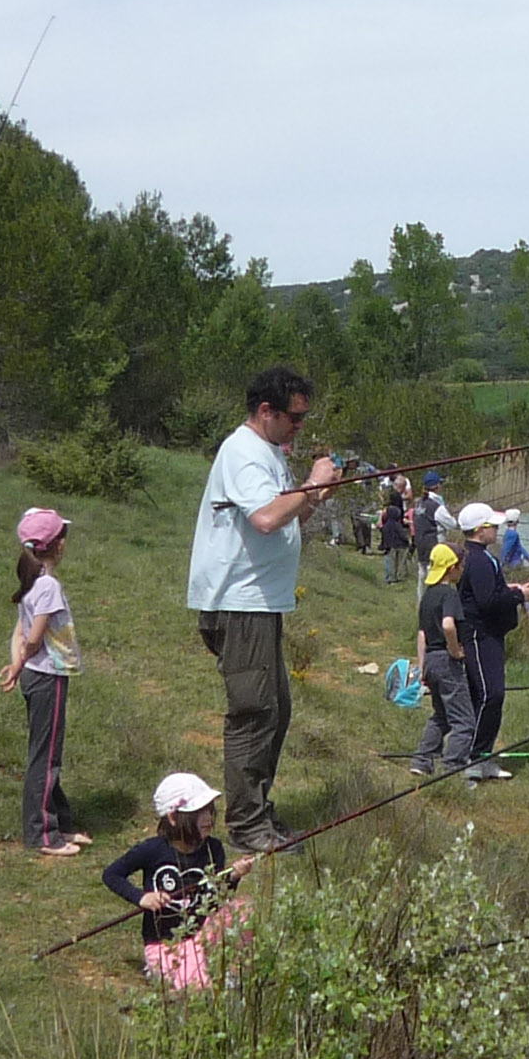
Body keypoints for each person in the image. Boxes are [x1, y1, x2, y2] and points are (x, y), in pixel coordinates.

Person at [187, 365, 338, 853]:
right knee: (254, 712)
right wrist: (311, 482)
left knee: (277, 709)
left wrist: (314, 495)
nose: (300, 427)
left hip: (261, 603)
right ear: (266, 411)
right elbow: (268, 517)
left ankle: (257, 808)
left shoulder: (269, 453)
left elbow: (288, 514)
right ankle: (248, 826)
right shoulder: (243, 453)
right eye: (294, 418)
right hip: (238, 603)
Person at [102, 771, 256, 992]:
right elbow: (112, 875)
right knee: (198, 988)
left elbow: (215, 900)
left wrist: (232, 878)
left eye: (209, 811)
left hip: (202, 933)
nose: (208, 818)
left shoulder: (214, 849)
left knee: (244, 909)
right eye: (198, 813)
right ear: (173, 817)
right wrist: (141, 897)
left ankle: (232, 970)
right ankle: (160, 966)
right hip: (165, 943)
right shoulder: (152, 850)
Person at [0, 508, 88, 856]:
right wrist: (20, 662)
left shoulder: (33, 580)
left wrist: (17, 664)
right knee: (45, 757)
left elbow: (19, 630)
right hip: (48, 676)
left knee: (48, 752)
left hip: (38, 676)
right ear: (57, 546)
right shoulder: (47, 585)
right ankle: (43, 835)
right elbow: (32, 636)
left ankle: (61, 822)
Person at [456, 502, 529, 784]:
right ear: (480, 530)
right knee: (490, 695)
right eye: (492, 525)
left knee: (491, 696)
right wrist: (518, 596)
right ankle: (471, 759)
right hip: (480, 636)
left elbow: (491, 591)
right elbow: (486, 602)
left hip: (492, 635)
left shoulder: (483, 556)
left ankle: (483, 756)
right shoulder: (476, 560)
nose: (497, 529)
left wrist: (511, 589)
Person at [408, 543, 476, 779]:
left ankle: (422, 760)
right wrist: (456, 651)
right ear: (452, 568)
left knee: (441, 715)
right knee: (464, 721)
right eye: (461, 566)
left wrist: (422, 666)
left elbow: (422, 634)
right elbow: (448, 625)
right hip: (446, 661)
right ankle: (452, 768)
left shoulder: (428, 596)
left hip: (430, 662)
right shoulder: (449, 594)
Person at [379, 473, 409, 583]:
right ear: (401, 486)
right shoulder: (396, 497)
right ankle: (392, 576)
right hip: (394, 526)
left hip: (387, 526)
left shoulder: (389, 492)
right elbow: (392, 511)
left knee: (389, 551)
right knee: (392, 552)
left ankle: (391, 575)